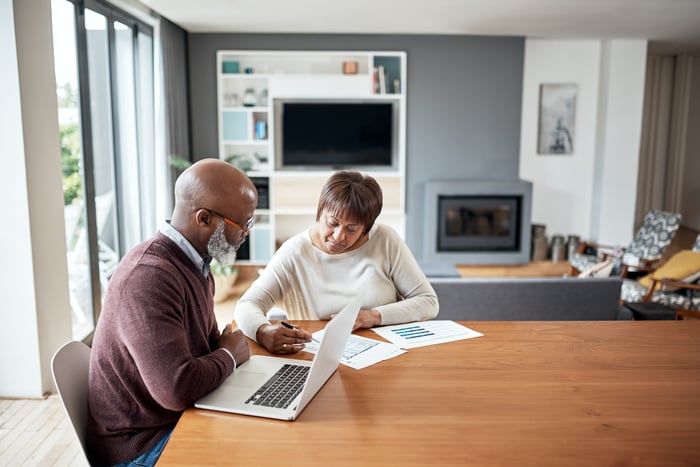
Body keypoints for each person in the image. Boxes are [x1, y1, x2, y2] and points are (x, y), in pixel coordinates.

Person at [86, 158, 257, 466]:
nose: (245, 233)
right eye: (241, 224)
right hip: (141, 445)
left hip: (176, 417)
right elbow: (175, 389)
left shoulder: (196, 265)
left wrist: (227, 351)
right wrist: (229, 356)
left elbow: (206, 349)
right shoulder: (149, 277)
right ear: (204, 219)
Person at [234, 170, 439, 354]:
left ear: (366, 227)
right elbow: (247, 305)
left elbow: (428, 302)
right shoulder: (294, 252)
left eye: (352, 229)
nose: (339, 236)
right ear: (320, 211)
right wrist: (262, 331)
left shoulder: (385, 240)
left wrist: (374, 316)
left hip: (388, 354)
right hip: (318, 356)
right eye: (332, 223)